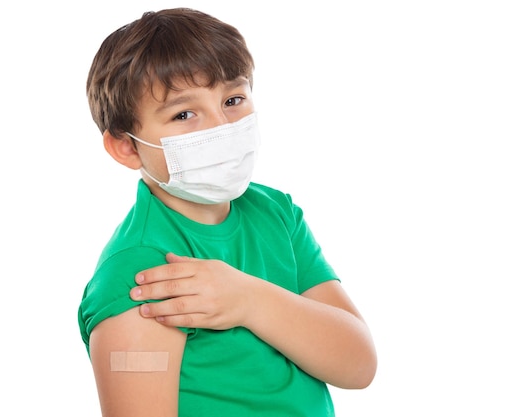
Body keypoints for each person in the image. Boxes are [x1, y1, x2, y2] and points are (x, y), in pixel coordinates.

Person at [78, 7, 376, 417]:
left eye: (233, 99)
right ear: (126, 147)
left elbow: (358, 364)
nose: (221, 126)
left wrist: (248, 300)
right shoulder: (141, 276)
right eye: (184, 114)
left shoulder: (276, 215)